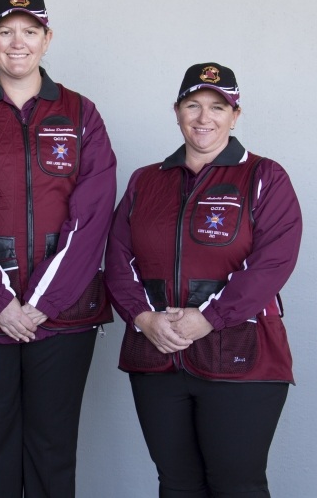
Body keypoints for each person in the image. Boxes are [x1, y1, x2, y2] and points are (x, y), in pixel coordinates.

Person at [0, 0, 117, 498]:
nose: (18, 42)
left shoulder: (80, 114)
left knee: (53, 449)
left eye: (30, 31)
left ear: (47, 38)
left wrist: (41, 305)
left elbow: (92, 218)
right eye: (6, 31)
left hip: (63, 315)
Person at [104, 62, 302, 498]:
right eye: (192, 105)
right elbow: (118, 261)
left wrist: (210, 317)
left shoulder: (265, 177)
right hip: (156, 356)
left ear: (236, 114)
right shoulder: (145, 181)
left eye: (218, 106)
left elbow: (273, 263)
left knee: (236, 486)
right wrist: (143, 318)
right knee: (177, 485)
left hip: (241, 358)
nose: (203, 117)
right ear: (176, 111)